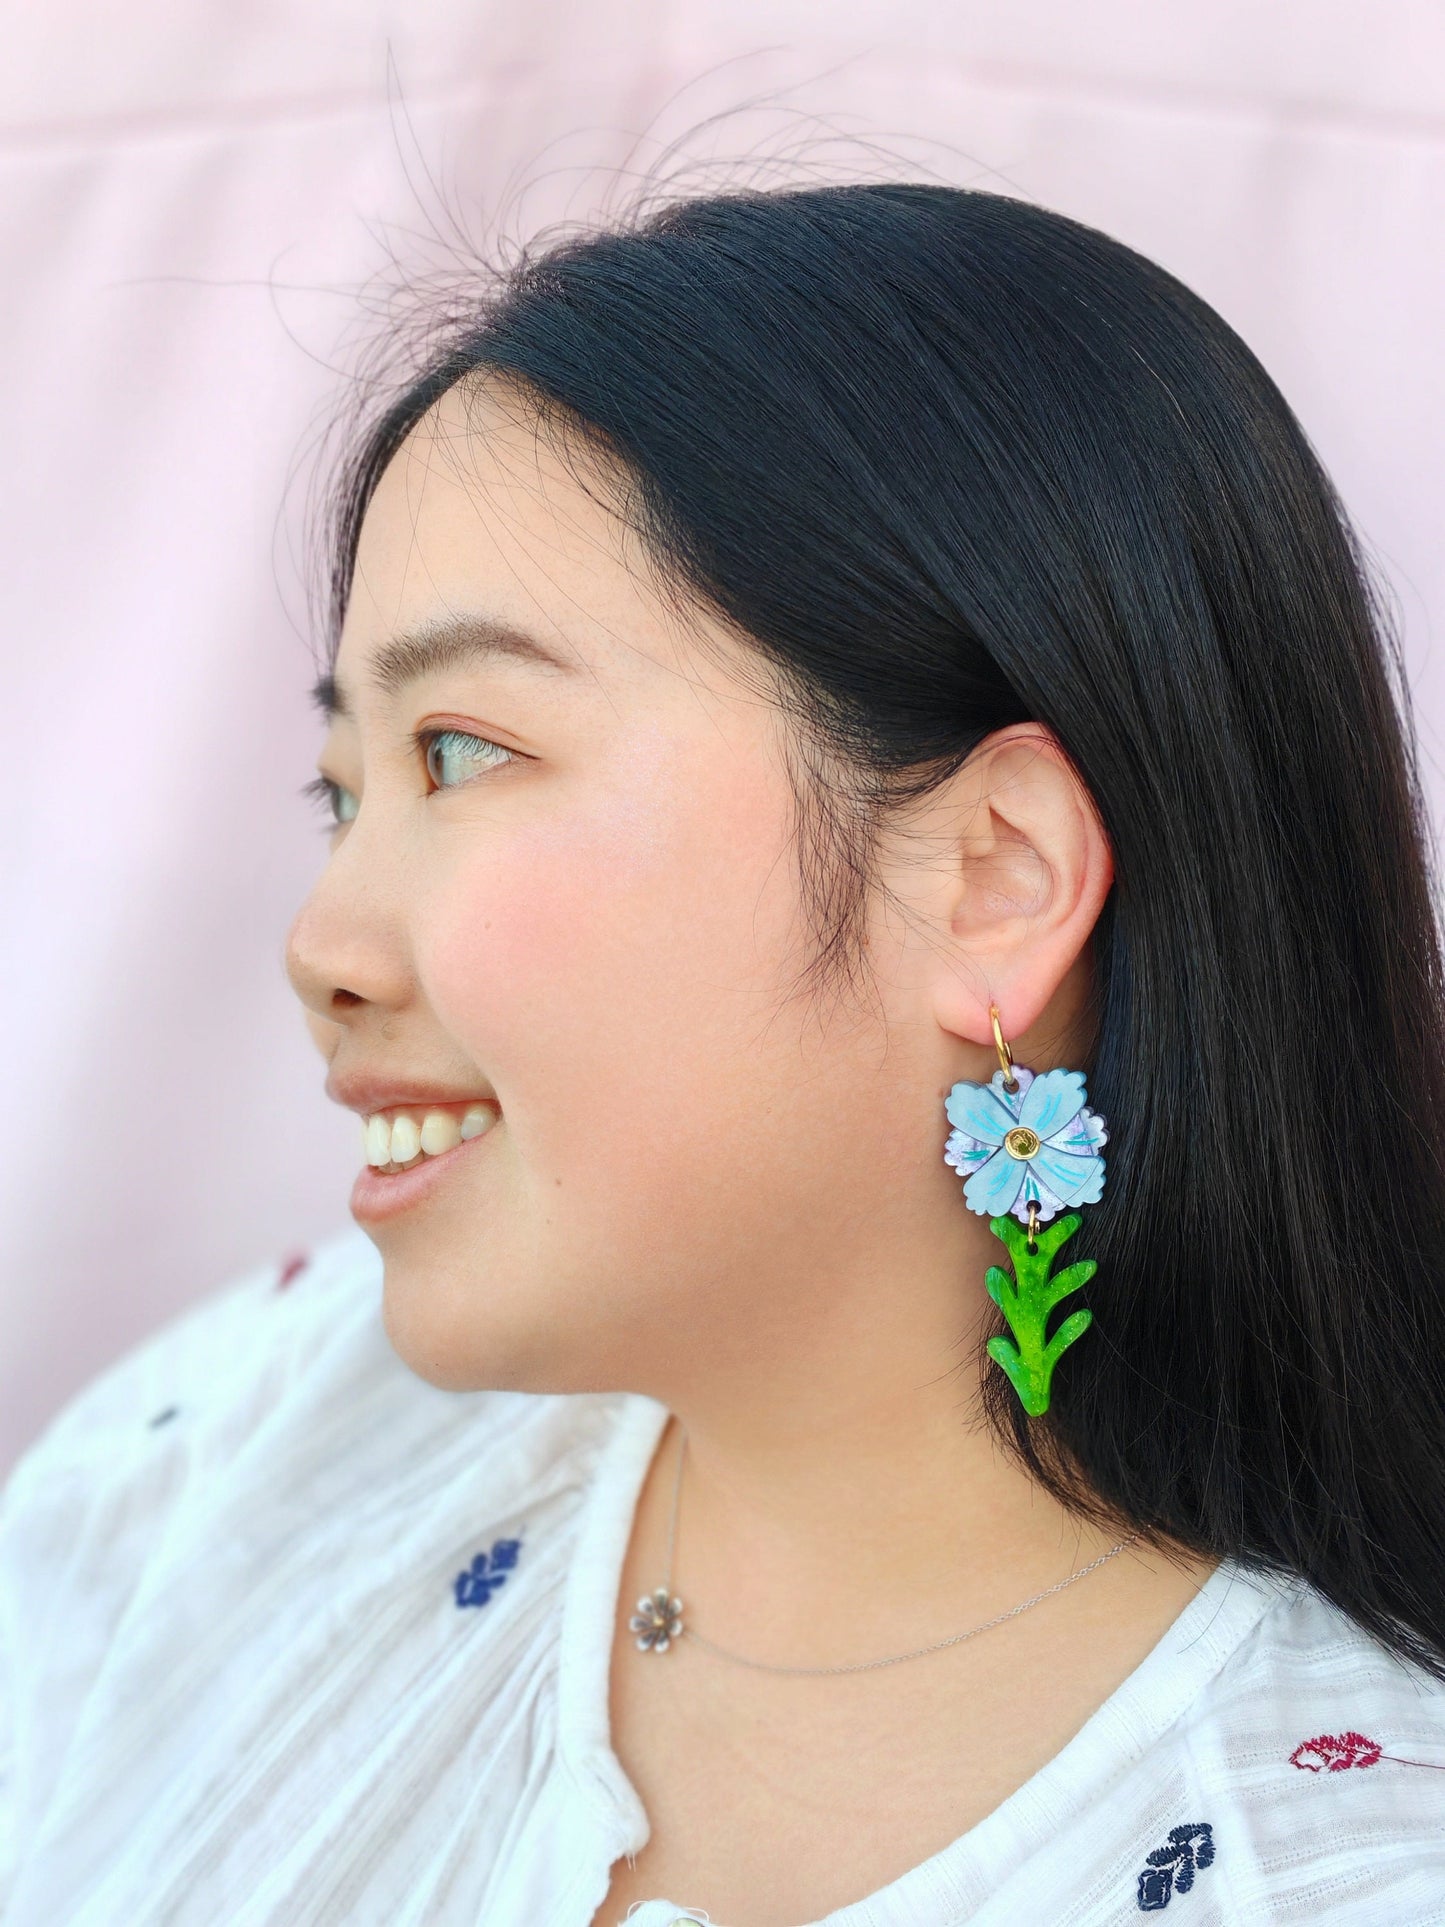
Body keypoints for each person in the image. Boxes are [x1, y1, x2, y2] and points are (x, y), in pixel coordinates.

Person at [3, 181, 1444, 1927]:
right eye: (344, 789)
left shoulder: (1345, 1869)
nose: (322, 947)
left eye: (461, 753)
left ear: (995, 874)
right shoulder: (234, 1450)